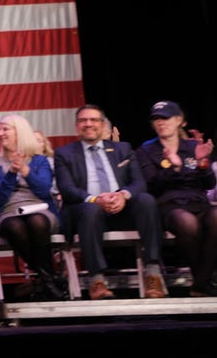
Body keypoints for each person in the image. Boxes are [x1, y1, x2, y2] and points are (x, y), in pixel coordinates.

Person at [54, 104, 167, 300]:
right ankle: (97, 281)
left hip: (121, 209)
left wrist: (123, 195)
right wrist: (96, 199)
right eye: (83, 120)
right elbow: (67, 189)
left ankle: (153, 273)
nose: (88, 124)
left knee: (146, 200)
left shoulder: (122, 149)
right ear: (76, 126)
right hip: (85, 212)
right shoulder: (64, 153)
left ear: (102, 124)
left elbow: (139, 183)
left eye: (93, 120)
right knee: (91, 210)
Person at [134, 100, 217, 297]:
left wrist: (203, 164)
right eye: (156, 119)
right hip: (169, 205)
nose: (161, 122)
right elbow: (150, 185)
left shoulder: (193, 146)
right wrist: (175, 168)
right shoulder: (145, 151)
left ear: (179, 120)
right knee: (188, 223)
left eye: (166, 118)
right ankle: (203, 282)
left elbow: (209, 184)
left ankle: (200, 283)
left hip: (198, 202)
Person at [0, 115, 65, 301]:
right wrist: (11, 173)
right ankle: (50, 278)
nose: (0, 133)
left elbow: (44, 190)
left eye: (5, 129)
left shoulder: (39, 161)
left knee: (36, 221)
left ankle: (45, 280)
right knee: (16, 226)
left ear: (19, 132)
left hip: (40, 209)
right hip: (8, 212)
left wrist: (25, 170)